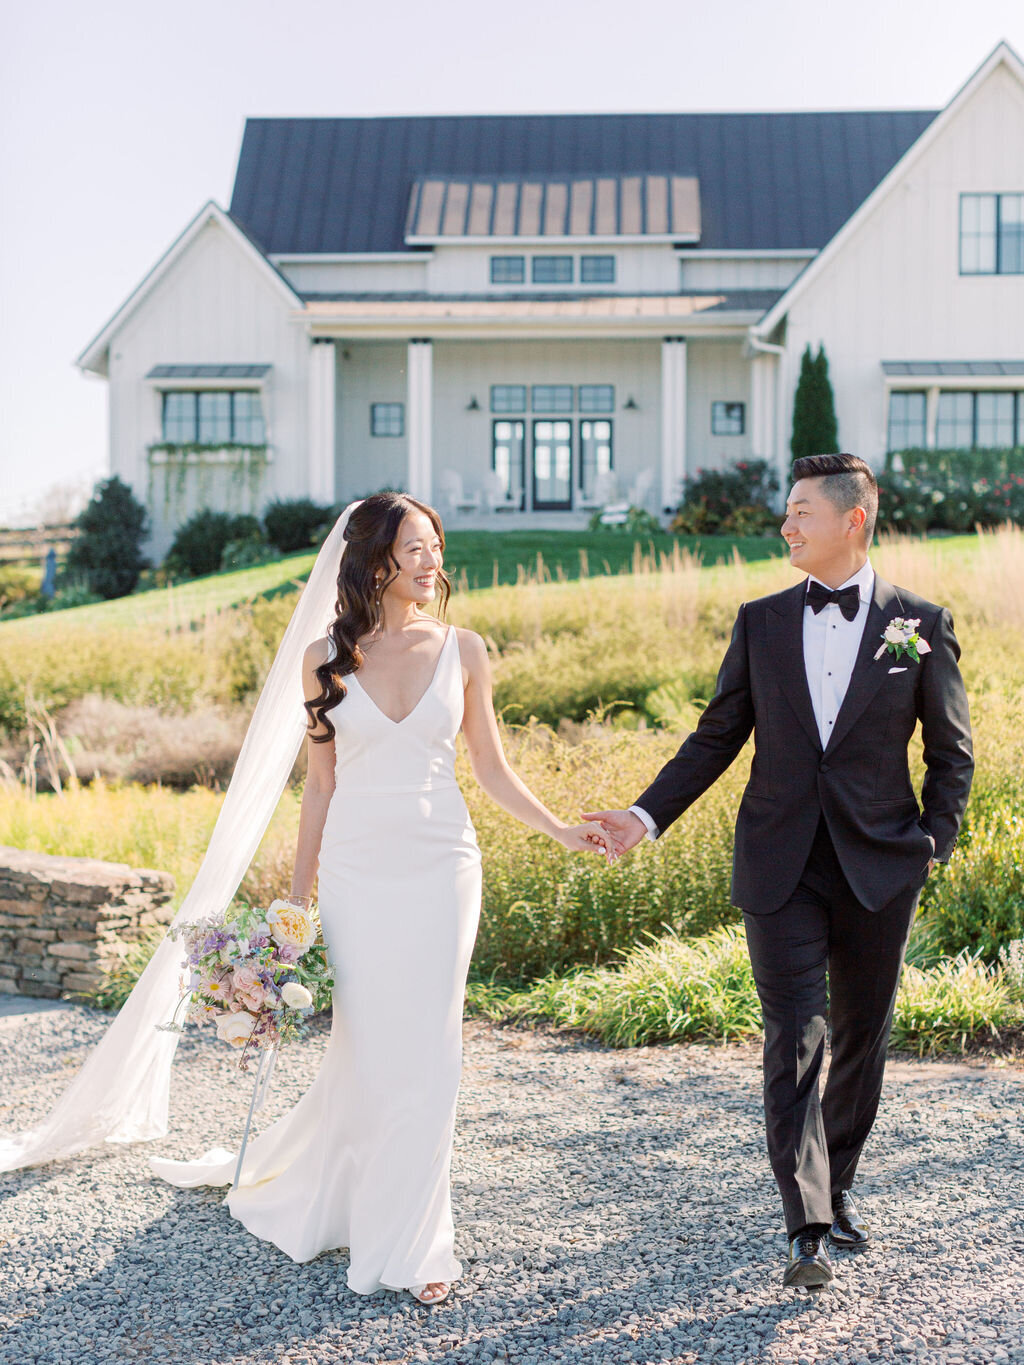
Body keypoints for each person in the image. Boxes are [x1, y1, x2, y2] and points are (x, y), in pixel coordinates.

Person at [150, 491, 610, 1304]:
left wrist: (561, 830)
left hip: (443, 866)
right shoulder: (324, 656)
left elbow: (492, 770)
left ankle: (417, 1243)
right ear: (374, 562)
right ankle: (345, 1189)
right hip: (359, 871)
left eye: (436, 546)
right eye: (415, 549)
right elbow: (319, 788)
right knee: (368, 1042)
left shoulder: (465, 648)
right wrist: (296, 904)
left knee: (431, 1047)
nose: (432, 562)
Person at [584, 454, 973, 1290]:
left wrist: (933, 842)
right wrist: (644, 816)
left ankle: (836, 1185)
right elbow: (715, 736)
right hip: (779, 860)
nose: (786, 525)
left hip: (880, 864)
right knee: (795, 1032)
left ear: (852, 520)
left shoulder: (921, 622)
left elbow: (952, 752)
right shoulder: (759, 621)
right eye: (786, 511)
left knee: (862, 1033)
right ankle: (807, 1225)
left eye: (801, 511)